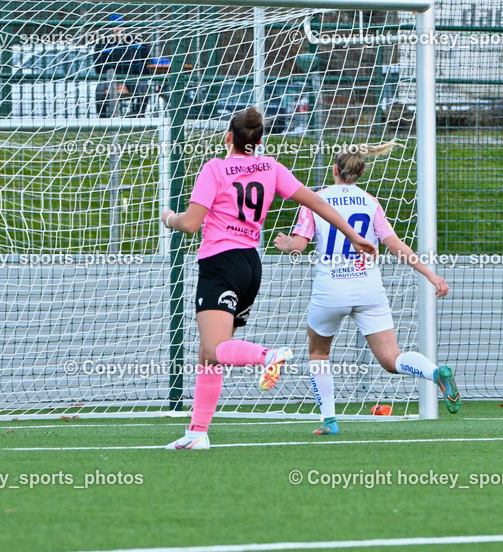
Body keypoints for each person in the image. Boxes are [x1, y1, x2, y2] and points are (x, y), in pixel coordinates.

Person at [160, 107, 378, 450]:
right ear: (258, 141)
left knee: (215, 348)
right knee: (209, 354)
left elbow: (190, 224)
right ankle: (197, 432)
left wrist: (169, 217)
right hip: (250, 264)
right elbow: (317, 203)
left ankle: (267, 356)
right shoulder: (271, 167)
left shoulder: (215, 168)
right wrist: (352, 234)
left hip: (220, 262)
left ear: (229, 137)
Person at [273, 143, 460, 435]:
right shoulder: (370, 202)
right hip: (368, 290)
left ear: (334, 170)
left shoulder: (316, 200)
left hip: (331, 290)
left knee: (319, 354)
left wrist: (285, 243)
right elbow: (393, 244)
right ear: (361, 174)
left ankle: (329, 422)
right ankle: (435, 372)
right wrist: (430, 274)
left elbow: (298, 245)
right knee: (391, 359)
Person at [92, 13, 152, 117]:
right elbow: (99, 67)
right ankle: (102, 117)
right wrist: (116, 78)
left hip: (133, 77)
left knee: (143, 88)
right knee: (100, 90)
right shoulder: (102, 44)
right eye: (113, 27)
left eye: (119, 26)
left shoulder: (137, 41)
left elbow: (146, 63)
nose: (117, 30)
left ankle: (138, 114)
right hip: (111, 78)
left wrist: (133, 72)